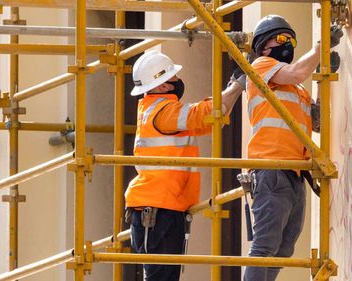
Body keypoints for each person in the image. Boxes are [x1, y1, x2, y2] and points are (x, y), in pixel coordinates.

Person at [125, 50, 245, 281]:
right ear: (161, 86)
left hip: (161, 208)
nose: (178, 82)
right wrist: (239, 84)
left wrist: (233, 86)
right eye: (173, 78)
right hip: (158, 210)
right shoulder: (164, 111)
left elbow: (213, 117)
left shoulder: (160, 111)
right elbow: (208, 112)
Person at [244, 15, 342, 281]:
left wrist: (323, 80)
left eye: (292, 40)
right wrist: (321, 46)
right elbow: (299, 71)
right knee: (264, 247)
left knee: (283, 249)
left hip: (295, 172)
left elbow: (318, 121)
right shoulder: (260, 66)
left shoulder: (296, 88)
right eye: (283, 39)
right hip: (271, 169)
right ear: (264, 45)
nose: (289, 44)